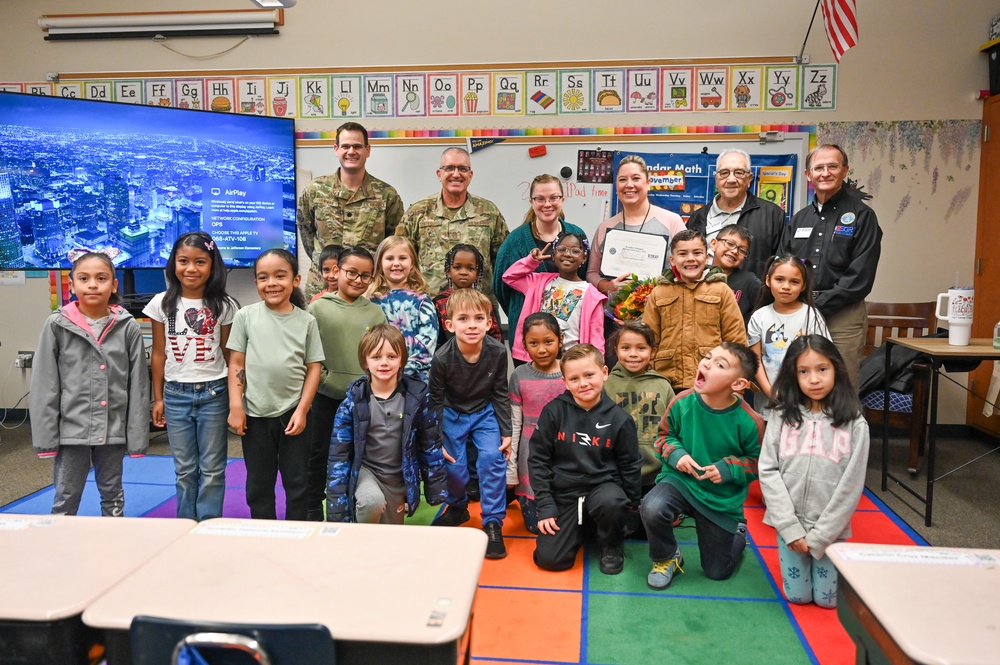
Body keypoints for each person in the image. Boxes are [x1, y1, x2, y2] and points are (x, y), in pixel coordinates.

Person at [30, 251, 149, 516]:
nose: (93, 284)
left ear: (114, 285)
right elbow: (45, 385)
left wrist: (137, 437)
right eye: (84, 278)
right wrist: (46, 439)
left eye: (101, 278)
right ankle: (60, 549)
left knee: (113, 494)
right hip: (72, 431)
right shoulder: (57, 325)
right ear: (72, 285)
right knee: (66, 496)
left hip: (112, 429)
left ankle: (112, 549)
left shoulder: (127, 327)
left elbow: (139, 386)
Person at [639, 343, 764, 590]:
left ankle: (737, 532)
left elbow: (758, 463)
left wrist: (729, 469)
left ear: (738, 384)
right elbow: (663, 438)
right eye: (707, 357)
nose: (706, 363)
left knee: (717, 572)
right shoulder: (681, 402)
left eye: (719, 364)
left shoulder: (750, 421)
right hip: (681, 482)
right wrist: (677, 455)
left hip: (719, 498)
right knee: (652, 507)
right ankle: (666, 557)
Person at [758, 334, 869, 608]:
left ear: (836, 369)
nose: (814, 379)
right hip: (789, 525)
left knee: (827, 600)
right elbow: (768, 469)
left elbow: (852, 484)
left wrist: (822, 535)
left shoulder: (855, 423)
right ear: (793, 376)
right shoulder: (781, 416)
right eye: (803, 372)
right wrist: (789, 528)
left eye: (822, 369)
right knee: (798, 596)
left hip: (830, 529)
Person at [144, 232, 238, 521]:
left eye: (200, 261)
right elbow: (158, 353)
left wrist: (237, 399)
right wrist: (158, 397)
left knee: (212, 468)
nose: (191, 268)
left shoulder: (224, 305)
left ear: (213, 266)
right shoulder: (162, 303)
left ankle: (208, 524)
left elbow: (230, 354)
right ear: (174, 263)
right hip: (175, 395)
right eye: (183, 261)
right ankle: (185, 524)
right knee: (185, 469)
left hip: (214, 393)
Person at [227, 249, 324, 520]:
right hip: (255, 416)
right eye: (263, 277)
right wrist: (236, 405)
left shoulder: (307, 321)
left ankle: (297, 532)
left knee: (297, 482)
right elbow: (237, 363)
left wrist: (303, 409)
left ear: (295, 279)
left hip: (294, 414)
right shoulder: (245, 316)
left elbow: (314, 367)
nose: (271, 283)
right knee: (258, 483)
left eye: (280, 276)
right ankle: (263, 531)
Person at [529, 344, 642, 575]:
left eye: (589, 375)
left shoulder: (620, 420)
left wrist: (630, 508)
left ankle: (611, 544)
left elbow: (630, 465)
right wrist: (546, 506)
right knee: (550, 560)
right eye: (574, 378)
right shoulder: (553, 412)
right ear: (565, 382)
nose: (583, 383)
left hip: (603, 488)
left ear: (604, 373)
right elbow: (538, 460)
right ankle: (582, 528)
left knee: (611, 502)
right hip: (565, 492)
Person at [780, 144, 883, 388]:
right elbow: (783, 266)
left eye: (832, 166)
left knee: (840, 387)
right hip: (799, 311)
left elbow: (860, 277)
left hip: (843, 315)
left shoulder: (863, 216)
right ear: (808, 175)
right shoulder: (799, 219)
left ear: (844, 170)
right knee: (799, 383)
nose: (825, 173)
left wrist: (817, 307)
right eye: (819, 168)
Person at [326, 324, 447, 524]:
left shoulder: (417, 398)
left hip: (398, 479)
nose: (384, 363)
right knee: (371, 502)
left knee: (389, 536)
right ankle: (358, 542)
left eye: (391, 356)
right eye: (376, 357)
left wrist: (436, 488)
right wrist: (337, 510)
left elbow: (429, 444)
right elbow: (338, 456)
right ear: (365, 361)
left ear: (402, 361)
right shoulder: (353, 403)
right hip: (367, 473)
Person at [428, 289, 512, 560]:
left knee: (491, 459)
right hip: (452, 413)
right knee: (455, 468)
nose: (472, 325)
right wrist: (436, 438)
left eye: (479, 318)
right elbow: (436, 400)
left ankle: (492, 523)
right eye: (463, 319)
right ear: (450, 325)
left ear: (490, 323)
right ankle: (458, 507)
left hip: (485, 412)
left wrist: (507, 432)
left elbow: (500, 391)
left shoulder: (498, 352)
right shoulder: (442, 358)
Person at [307, 246, 387, 521]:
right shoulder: (318, 308)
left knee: (358, 456)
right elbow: (308, 354)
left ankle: (354, 510)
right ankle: (313, 509)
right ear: (337, 271)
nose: (357, 280)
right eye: (351, 272)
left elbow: (380, 354)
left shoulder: (375, 313)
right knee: (318, 455)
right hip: (324, 398)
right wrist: (326, 382)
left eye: (366, 276)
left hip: (363, 400)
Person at [297, 122, 404, 298]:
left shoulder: (386, 195)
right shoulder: (315, 189)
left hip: (367, 288)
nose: (351, 151)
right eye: (345, 146)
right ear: (336, 149)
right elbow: (306, 232)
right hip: (323, 287)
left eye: (357, 146)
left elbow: (393, 243)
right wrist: (324, 259)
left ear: (368, 150)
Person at [493, 174, 588, 356]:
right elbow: (501, 287)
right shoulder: (515, 241)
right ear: (531, 201)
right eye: (540, 199)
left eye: (554, 198)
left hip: (568, 335)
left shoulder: (577, 234)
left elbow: (582, 277)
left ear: (562, 199)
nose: (547, 204)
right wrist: (520, 309)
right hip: (529, 335)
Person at [642, 229, 747, 392]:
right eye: (683, 254)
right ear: (672, 260)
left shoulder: (721, 290)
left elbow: (736, 339)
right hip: (667, 382)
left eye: (697, 253)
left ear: (706, 257)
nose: (691, 259)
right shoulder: (659, 293)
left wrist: (736, 389)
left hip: (712, 380)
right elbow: (648, 341)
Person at [397, 147, 509, 299]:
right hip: (427, 306)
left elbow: (503, 263)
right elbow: (400, 259)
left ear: (470, 175)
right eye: (449, 168)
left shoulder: (489, 212)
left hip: (477, 307)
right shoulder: (418, 212)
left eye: (462, 169)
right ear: (439, 174)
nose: (456, 174)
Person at [587, 155, 686, 295]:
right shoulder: (605, 227)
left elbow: (686, 269)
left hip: (659, 312)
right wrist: (607, 286)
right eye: (622, 180)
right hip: (612, 314)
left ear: (648, 183)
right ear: (617, 187)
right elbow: (591, 273)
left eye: (636, 178)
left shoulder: (672, 222)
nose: (629, 185)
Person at [748, 255, 830, 421]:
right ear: (768, 280)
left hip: (805, 401)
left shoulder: (811, 315)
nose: (786, 286)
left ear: (803, 285)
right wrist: (770, 392)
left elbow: (825, 359)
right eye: (779, 279)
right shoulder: (759, 316)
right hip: (769, 404)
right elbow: (755, 360)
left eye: (794, 281)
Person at [503, 232, 606, 363]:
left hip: (570, 362)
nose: (567, 254)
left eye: (575, 251)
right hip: (538, 357)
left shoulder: (592, 295)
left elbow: (596, 339)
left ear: (584, 257)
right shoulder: (538, 282)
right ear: (553, 254)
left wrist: (596, 366)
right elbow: (509, 277)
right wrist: (531, 261)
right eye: (562, 249)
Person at [508, 312, 566, 534]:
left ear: (560, 340)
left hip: (564, 447)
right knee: (534, 527)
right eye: (534, 343)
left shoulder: (568, 371)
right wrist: (511, 468)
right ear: (524, 345)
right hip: (530, 450)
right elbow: (514, 424)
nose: (541, 349)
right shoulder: (519, 375)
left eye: (548, 342)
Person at [687, 148, 785, 280]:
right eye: (724, 173)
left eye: (739, 173)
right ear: (716, 178)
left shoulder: (772, 215)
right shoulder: (697, 218)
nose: (731, 179)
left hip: (751, 298)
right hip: (703, 297)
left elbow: (782, 266)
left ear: (749, 178)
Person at [603, 321, 676, 493]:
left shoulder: (663, 386)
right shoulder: (606, 385)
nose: (633, 354)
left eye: (641, 348)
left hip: (657, 476)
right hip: (615, 474)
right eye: (626, 348)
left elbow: (674, 429)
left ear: (653, 352)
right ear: (616, 350)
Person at [367, 235, 438, 383]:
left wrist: (399, 372)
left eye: (403, 258)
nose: (396, 263)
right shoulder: (370, 301)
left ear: (412, 263)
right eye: (390, 258)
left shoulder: (422, 301)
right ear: (379, 262)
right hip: (376, 380)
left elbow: (427, 344)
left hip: (415, 382)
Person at [433, 243, 503, 346]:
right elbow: (434, 337)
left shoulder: (484, 302)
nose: (463, 272)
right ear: (448, 271)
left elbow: (496, 336)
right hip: (446, 358)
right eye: (457, 267)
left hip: (481, 357)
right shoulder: (439, 302)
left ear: (477, 273)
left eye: (470, 269)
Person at [710, 225, 761, 325]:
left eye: (742, 250)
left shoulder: (750, 282)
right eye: (730, 244)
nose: (734, 251)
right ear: (713, 244)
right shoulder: (699, 275)